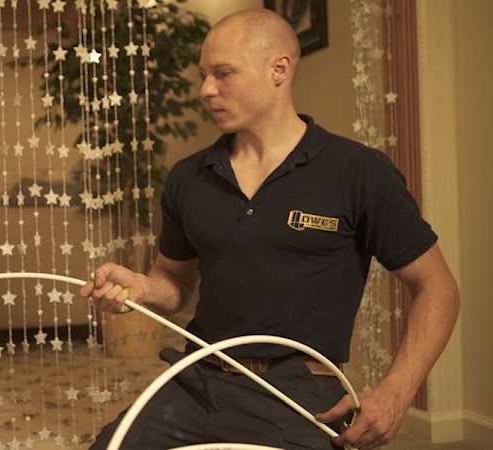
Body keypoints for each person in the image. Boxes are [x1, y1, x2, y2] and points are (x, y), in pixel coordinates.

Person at [80, 7, 460, 450]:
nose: (206, 89)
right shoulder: (189, 177)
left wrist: (396, 392)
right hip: (196, 380)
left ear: (279, 69)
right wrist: (143, 287)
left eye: (223, 73)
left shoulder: (359, 172)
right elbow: (174, 279)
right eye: (204, 74)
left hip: (299, 394)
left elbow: (437, 288)